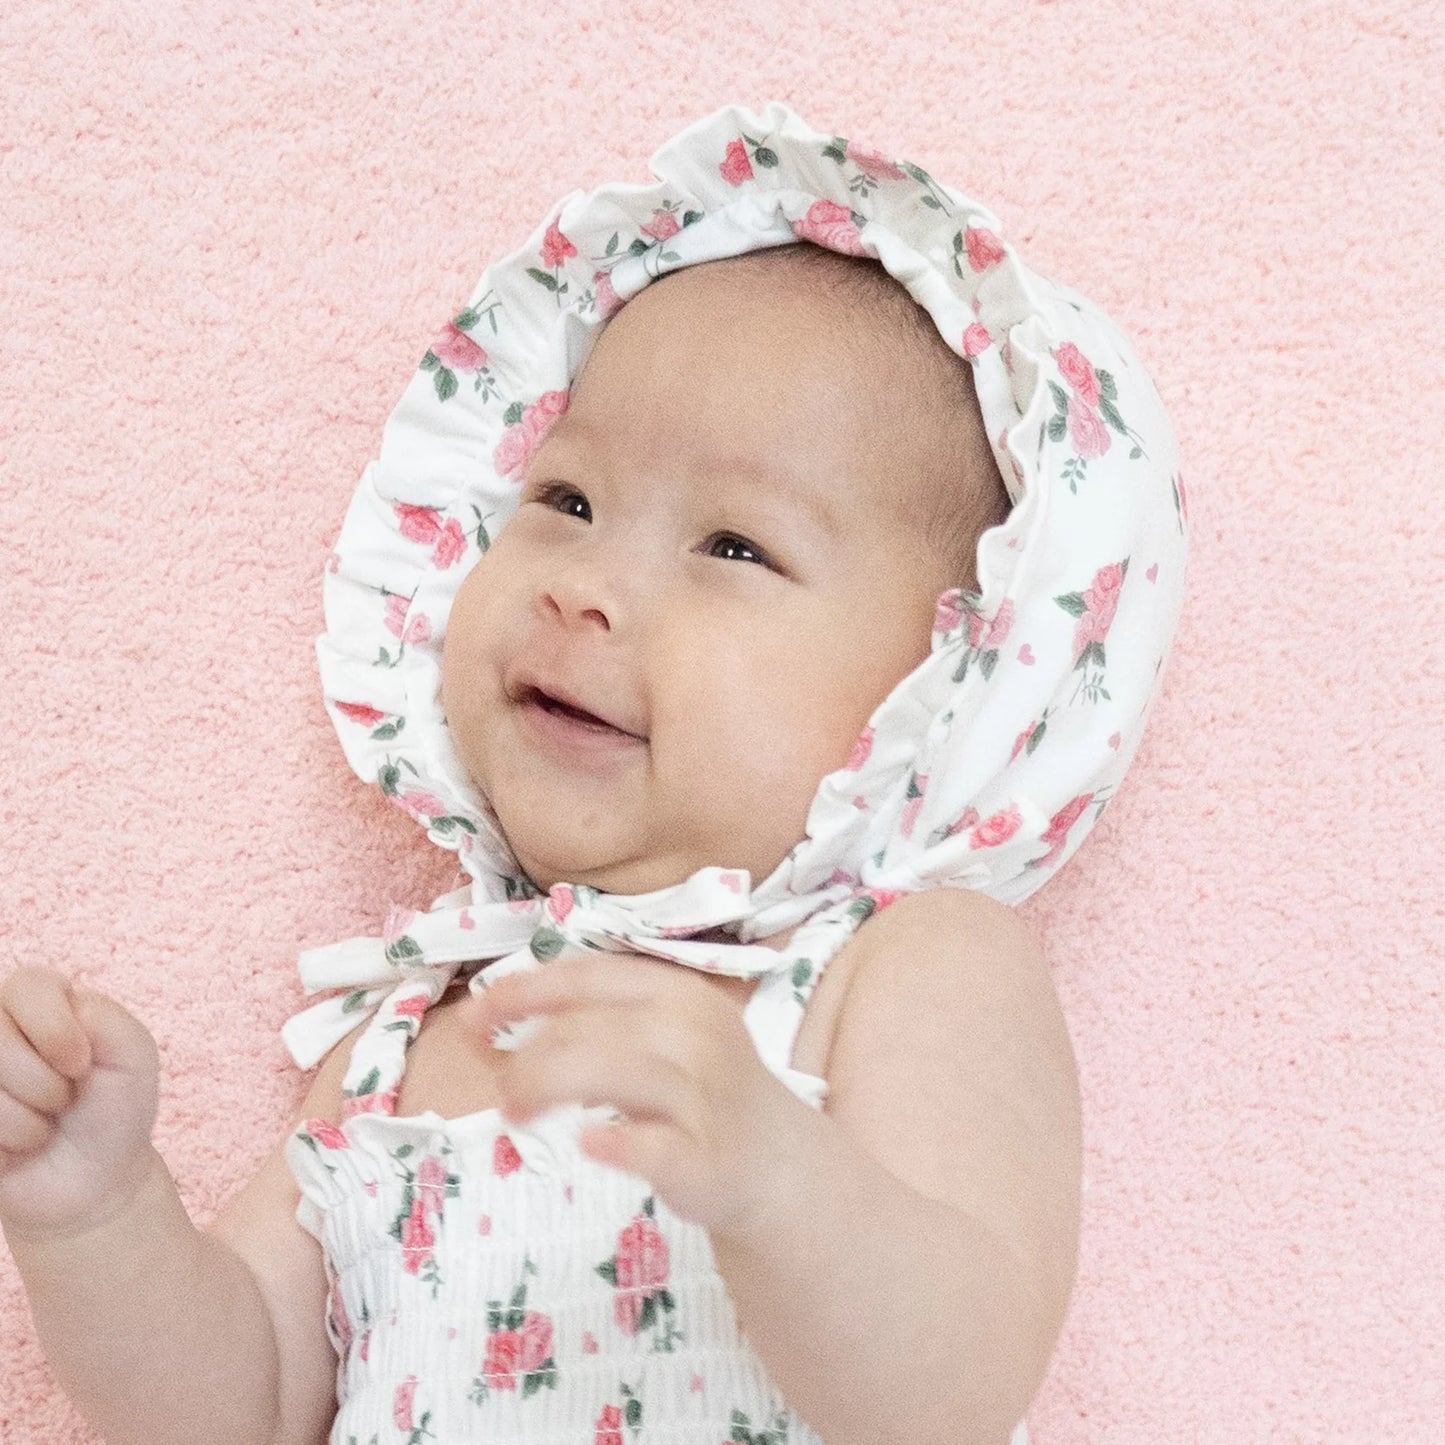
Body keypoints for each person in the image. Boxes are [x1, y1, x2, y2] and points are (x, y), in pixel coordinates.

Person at [0, 101, 1188, 1445]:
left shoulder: (903, 963)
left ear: (953, 676)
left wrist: (772, 1172)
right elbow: (246, 1410)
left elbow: (955, 1390)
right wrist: (98, 1212)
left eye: (733, 546)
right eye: (565, 501)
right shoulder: (416, 1028)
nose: (585, 587)